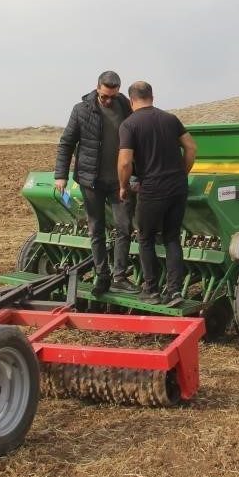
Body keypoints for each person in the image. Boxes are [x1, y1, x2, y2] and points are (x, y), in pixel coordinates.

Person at [55, 71, 138, 297]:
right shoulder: (81, 110)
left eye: (112, 96)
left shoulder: (126, 107)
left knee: (124, 227)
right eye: (104, 96)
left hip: (120, 181)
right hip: (91, 180)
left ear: (119, 90)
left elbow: (138, 141)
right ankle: (102, 275)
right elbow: (66, 143)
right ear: (97, 88)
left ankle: (120, 277)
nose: (108, 101)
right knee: (96, 229)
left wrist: (136, 175)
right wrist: (60, 175)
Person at [117, 81, 197, 307]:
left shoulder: (129, 124)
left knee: (146, 238)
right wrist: (183, 172)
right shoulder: (170, 119)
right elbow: (191, 148)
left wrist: (123, 186)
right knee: (172, 237)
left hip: (152, 190)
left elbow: (124, 163)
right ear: (152, 96)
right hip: (177, 187)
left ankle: (151, 290)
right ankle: (175, 292)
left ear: (131, 100)